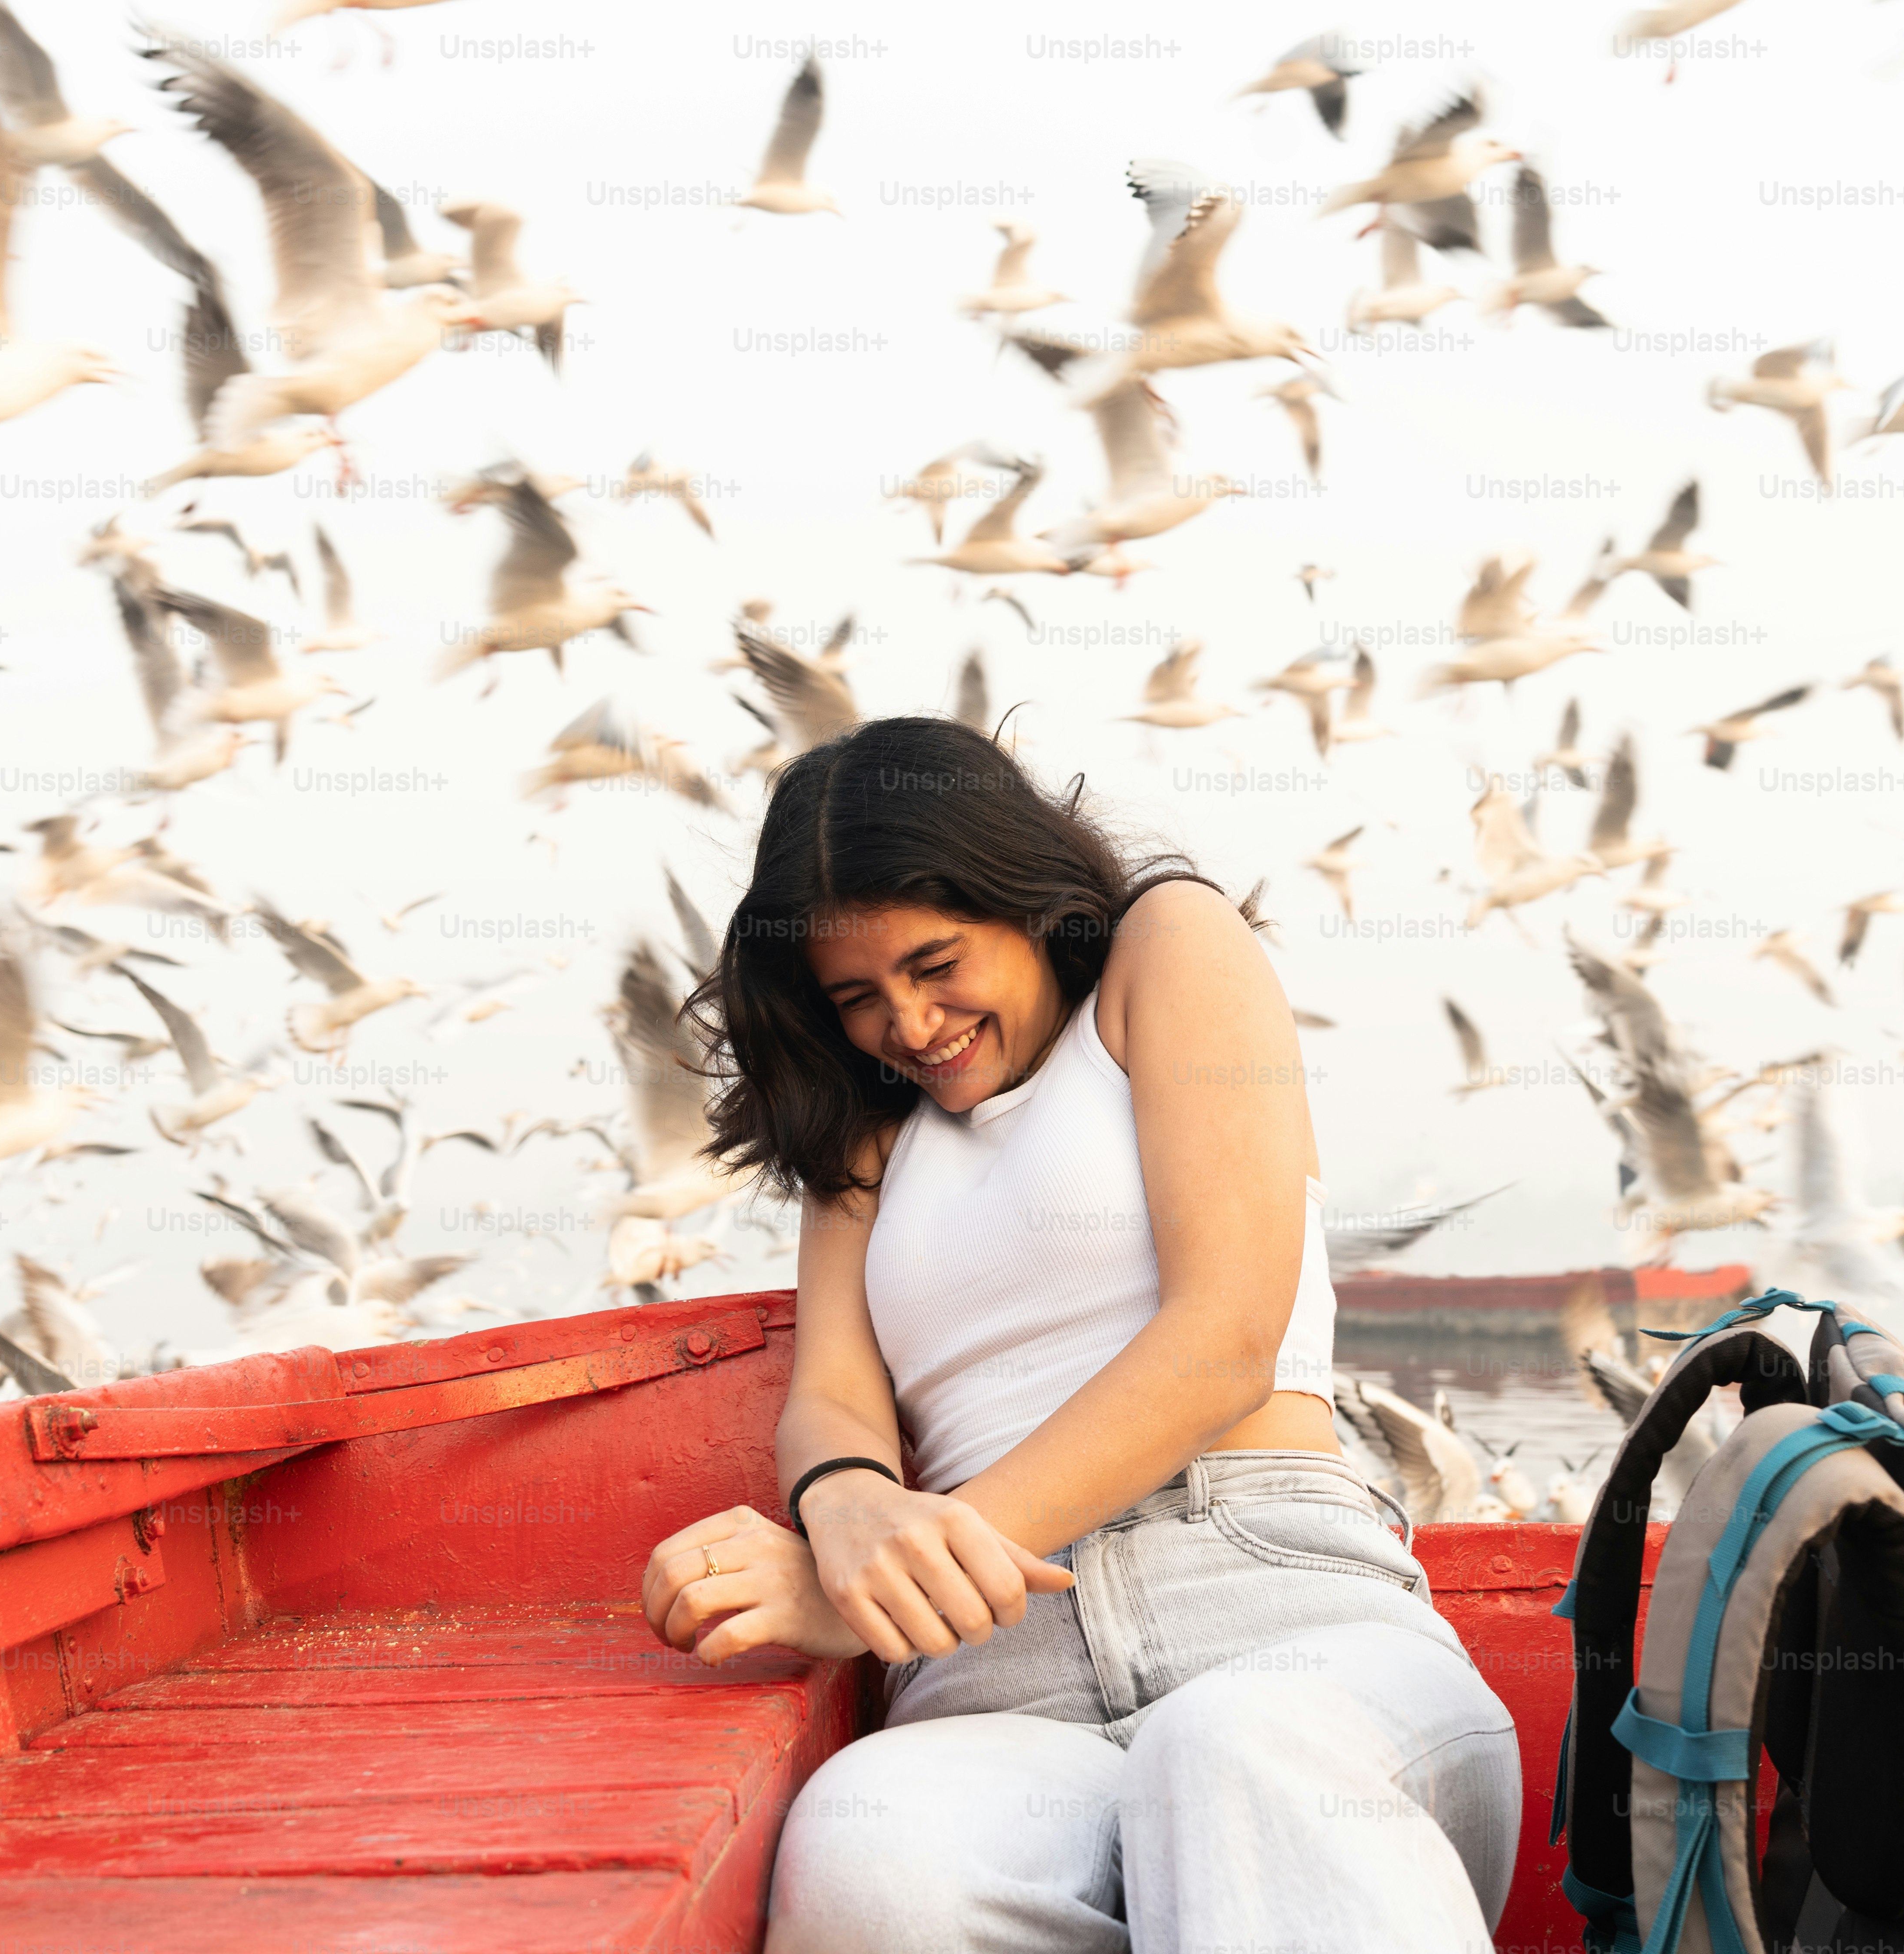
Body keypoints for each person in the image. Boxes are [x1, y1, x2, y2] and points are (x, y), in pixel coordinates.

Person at [640, 717, 1519, 1952]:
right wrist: (847, 1519)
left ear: (1024, 897)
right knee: (868, 1856)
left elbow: (1226, 1339)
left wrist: (924, 1567)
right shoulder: (867, 1131)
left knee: (1232, 1753)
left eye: (936, 963)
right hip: (998, 1687)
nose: (912, 1023)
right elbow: (833, 1398)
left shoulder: (1169, 948)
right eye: (860, 998)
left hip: (1281, 1617)